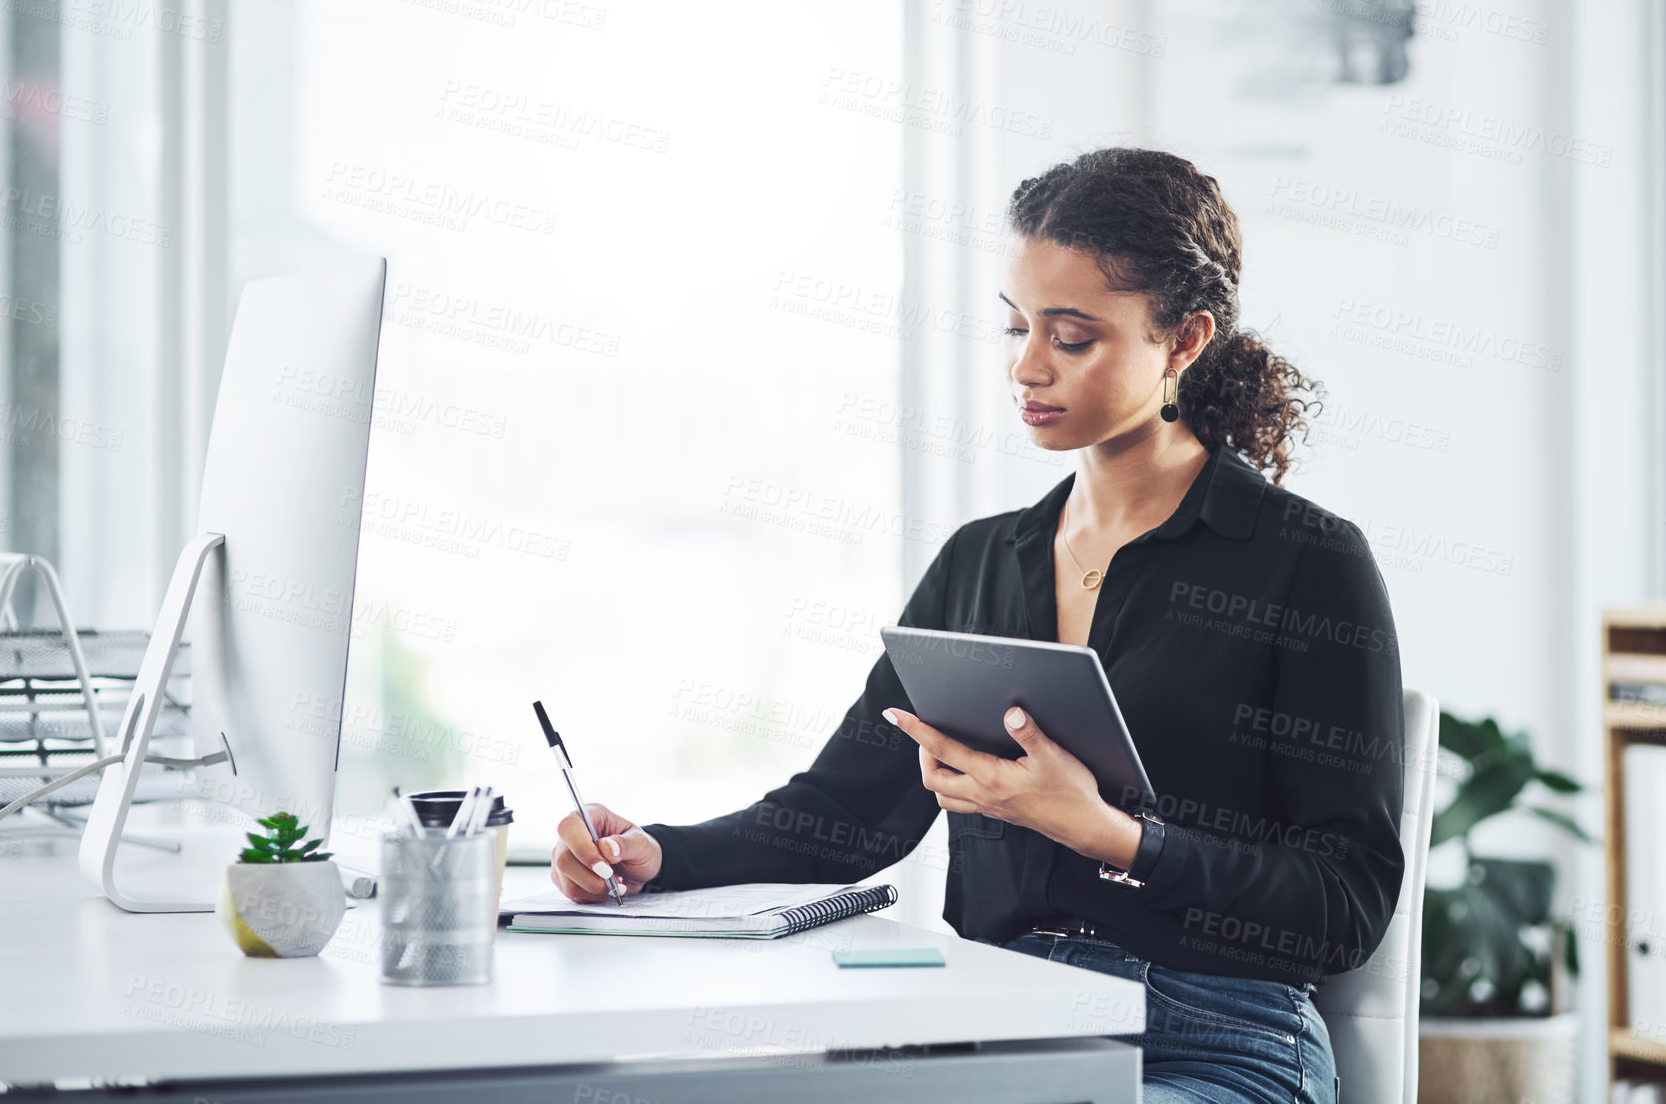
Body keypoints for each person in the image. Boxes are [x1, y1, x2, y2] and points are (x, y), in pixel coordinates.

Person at [550, 148, 1404, 1104]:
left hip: (1205, 1039)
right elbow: (845, 810)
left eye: (1072, 338)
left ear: (1185, 340)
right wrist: (663, 853)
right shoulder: (979, 560)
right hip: (988, 1018)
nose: (1026, 365)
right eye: (1014, 325)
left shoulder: (1305, 562)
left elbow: (1347, 903)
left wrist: (1109, 834)